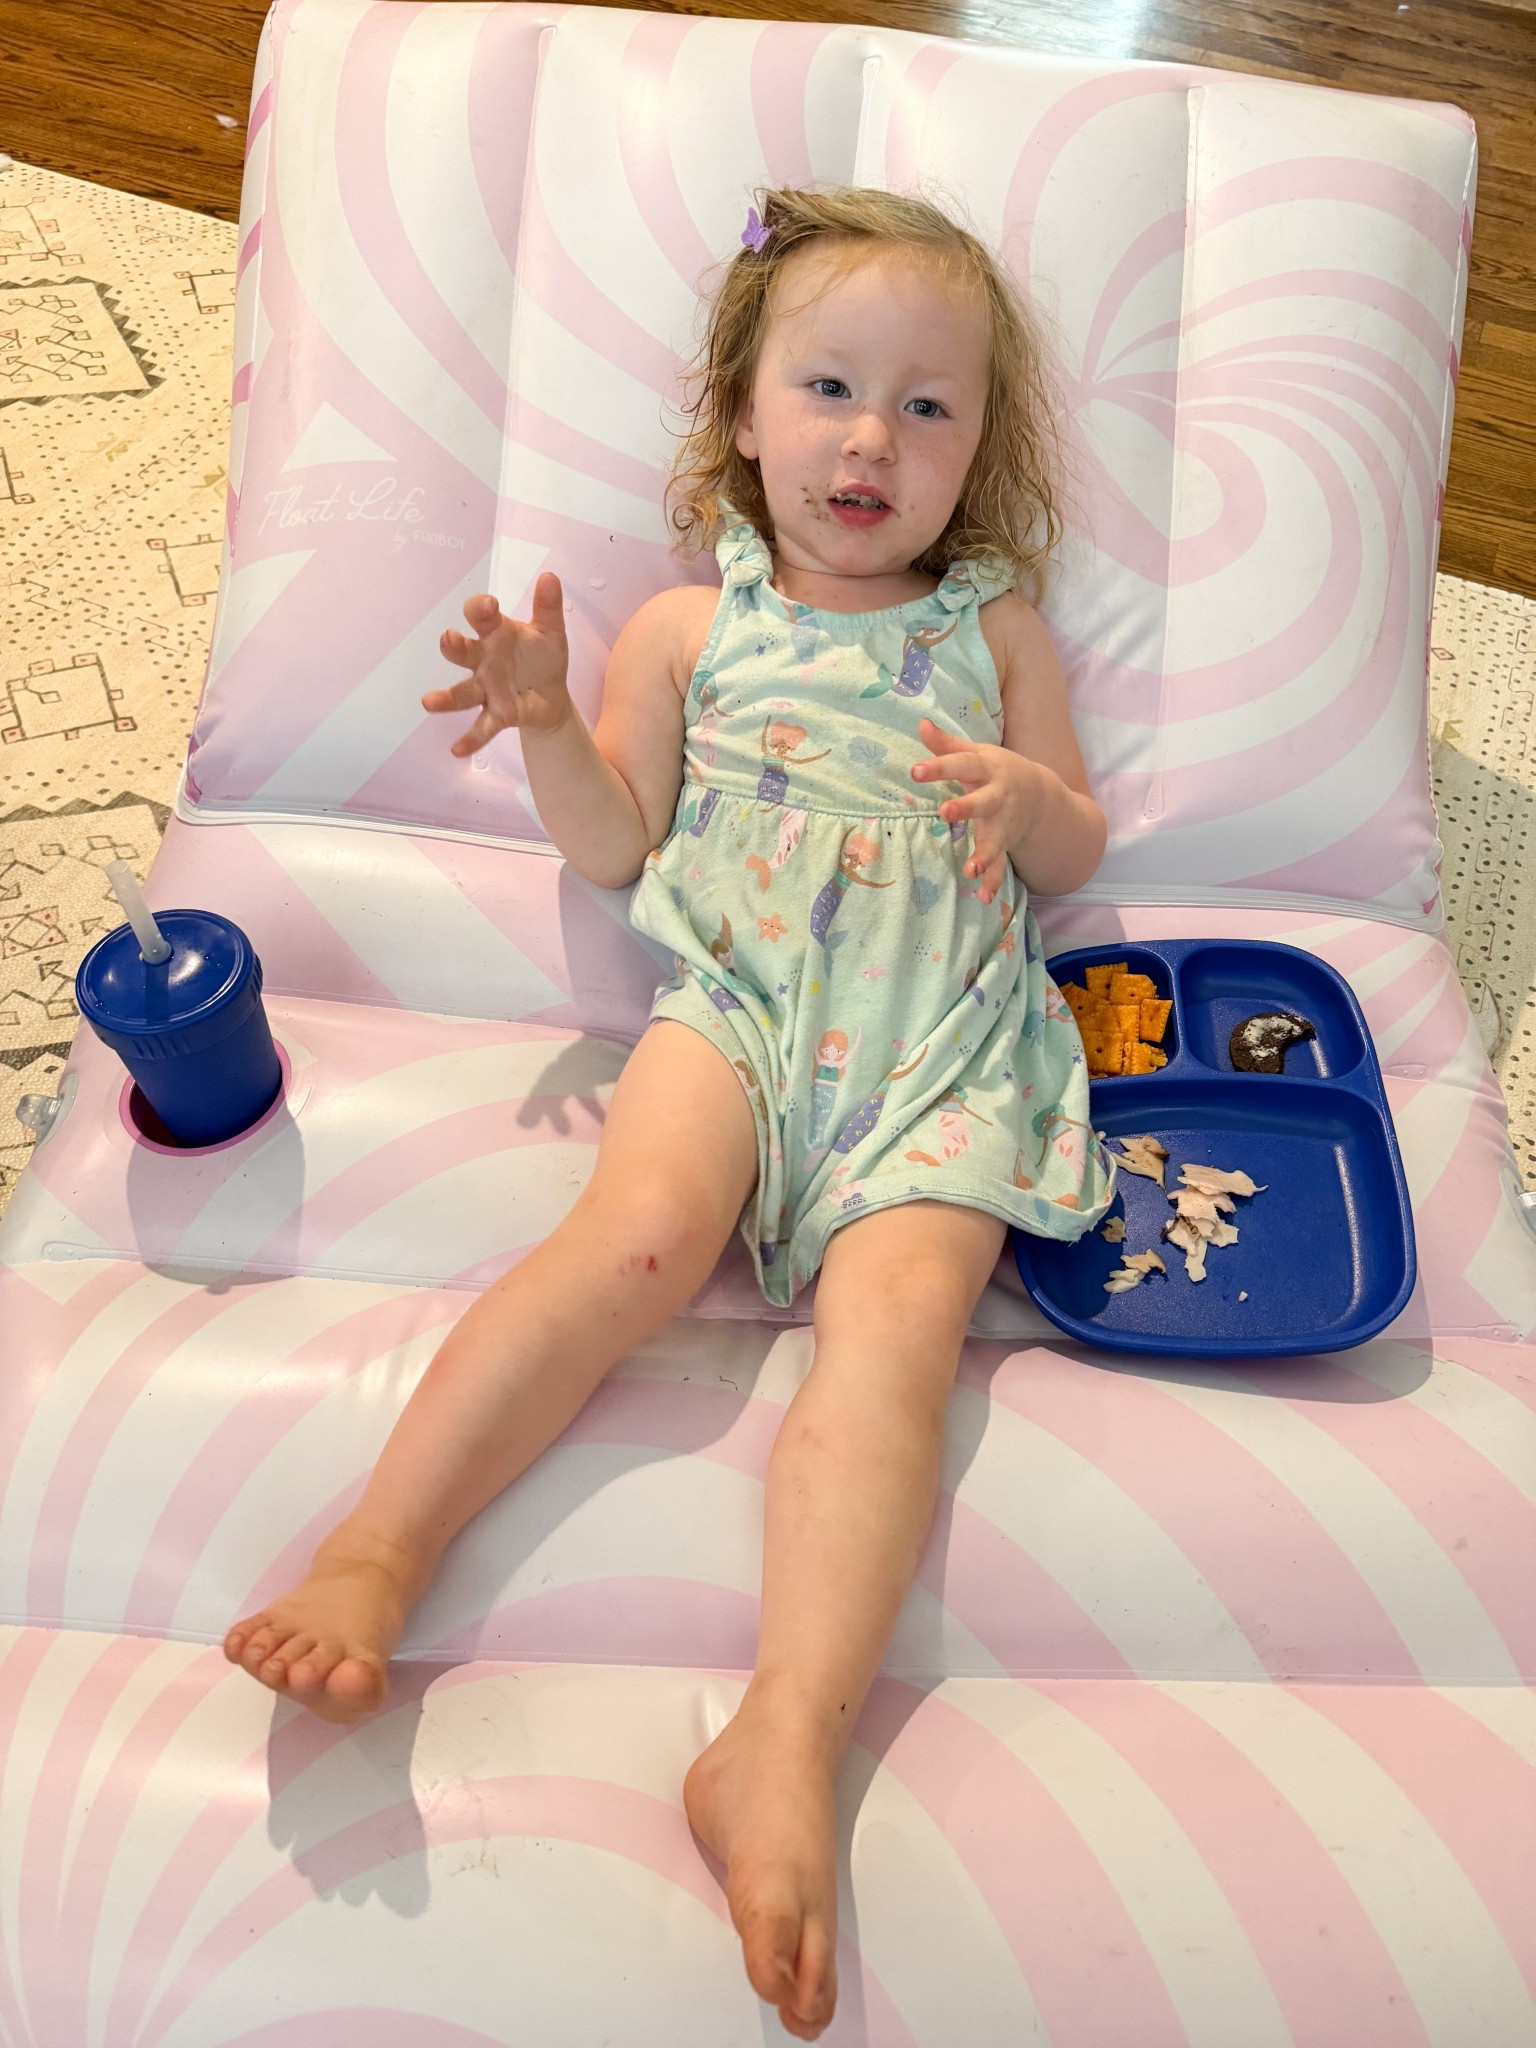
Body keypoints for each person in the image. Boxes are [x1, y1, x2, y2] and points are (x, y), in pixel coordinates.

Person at [223, 185, 1114, 2041]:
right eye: (834, 388)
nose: (874, 438)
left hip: (943, 1046)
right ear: (746, 417)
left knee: (893, 1353)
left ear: (979, 459)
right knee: (623, 1242)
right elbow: (622, 841)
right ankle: (380, 1544)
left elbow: (1079, 841)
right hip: (739, 1011)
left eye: (930, 409)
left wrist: (1029, 802)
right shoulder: (689, 628)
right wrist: (553, 720)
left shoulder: (995, 625)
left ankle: (781, 1744)